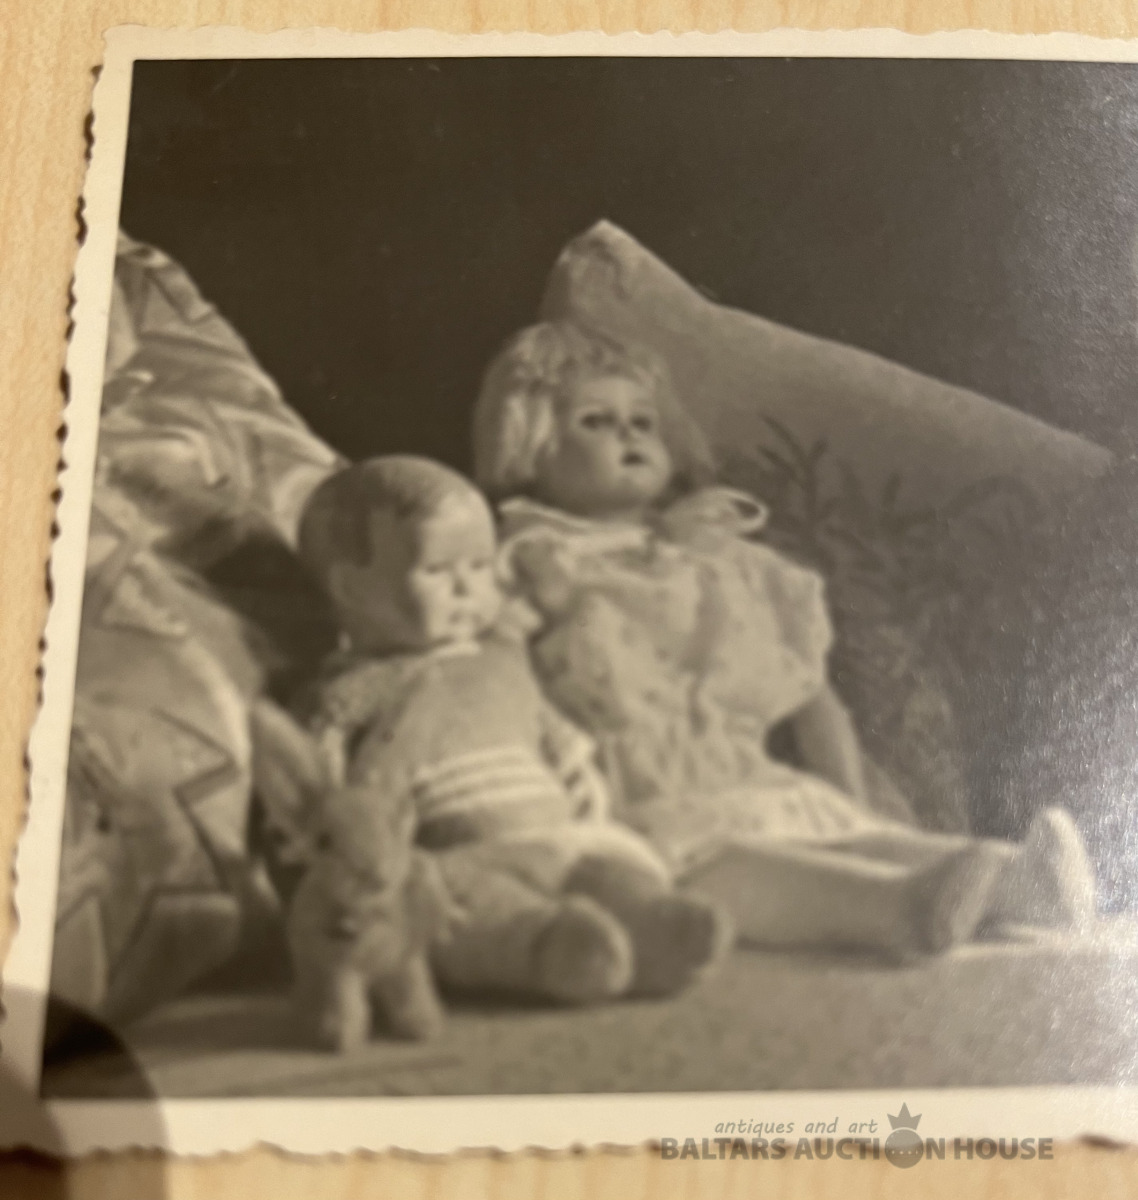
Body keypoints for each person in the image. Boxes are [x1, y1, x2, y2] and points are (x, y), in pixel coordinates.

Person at [472, 319, 1098, 958]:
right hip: (624, 800)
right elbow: (491, 681)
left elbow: (812, 697)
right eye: (596, 422)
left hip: (740, 777)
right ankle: (894, 909)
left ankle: (1014, 882)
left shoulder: (713, 558)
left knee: (841, 832)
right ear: (533, 445)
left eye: (642, 421)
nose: (628, 434)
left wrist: (855, 805)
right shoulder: (524, 560)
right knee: (723, 864)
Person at [287, 454, 730, 1005]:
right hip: (457, 854)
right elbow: (315, 782)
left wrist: (580, 780)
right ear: (353, 589)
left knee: (605, 869)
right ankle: (549, 947)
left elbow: (554, 735)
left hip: (553, 834)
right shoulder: (353, 691)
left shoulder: (501, 663)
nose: (466, 589)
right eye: (437, 571)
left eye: (479, 567)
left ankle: (653, 925)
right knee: (453, 910)